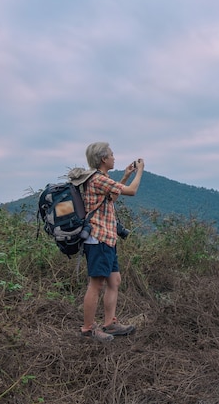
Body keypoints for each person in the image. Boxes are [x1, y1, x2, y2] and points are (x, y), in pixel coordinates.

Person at [80, 142, 144, 342]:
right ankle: (88, 329)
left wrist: (125, 175)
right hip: (98, 238)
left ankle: (110, 323)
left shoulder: (102, 179)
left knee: (114, 281)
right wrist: (140, 172)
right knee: (96, 284)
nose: (114, 157)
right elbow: (131, 192)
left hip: (107, 238)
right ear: (103, 159)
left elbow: (111, 198)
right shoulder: (97, 179)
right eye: (112, 155)